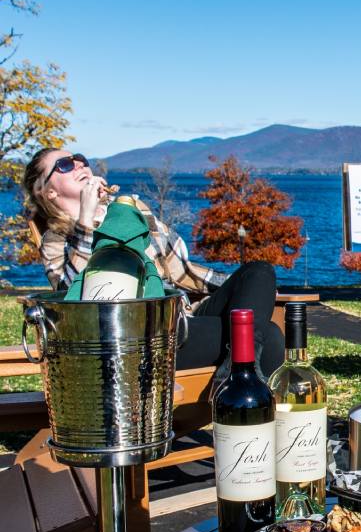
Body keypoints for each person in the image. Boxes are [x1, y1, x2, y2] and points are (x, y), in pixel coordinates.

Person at [22, 148, 284, 375]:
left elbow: (179, 269)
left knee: (259, 272)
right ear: (48, 192)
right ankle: (241, 379)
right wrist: (86, 221)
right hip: (140, 338)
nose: (79, 164)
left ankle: (237, 372)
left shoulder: (132, 210)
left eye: (79, 158)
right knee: (267, 336)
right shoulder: (56, 241)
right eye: (65, 165)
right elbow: (72, 301)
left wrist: (247, 291)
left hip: (184, 315)